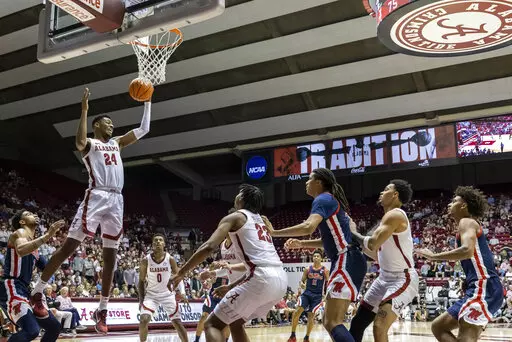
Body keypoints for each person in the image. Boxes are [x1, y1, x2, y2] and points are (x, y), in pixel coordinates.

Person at [30, 87, 152, 334]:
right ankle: (38, 291)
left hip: (117, 200)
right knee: (68, 248)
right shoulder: (92, 144)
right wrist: (84, 110)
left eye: (112, 124)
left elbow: (144, 129)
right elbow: (79, 141)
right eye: (107, 123)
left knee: (111, 259)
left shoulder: (117, 143)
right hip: (96, 196)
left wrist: (147, 102)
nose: (111, 126)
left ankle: (102, 308)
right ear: (96, 125)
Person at [170, 184, 287, 342]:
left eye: (239, 193)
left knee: (212, 324)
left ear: (242, 199)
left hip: (261, 278)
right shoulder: (261, 221)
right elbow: (254, 267)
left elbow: (209, 246)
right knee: (235, 322)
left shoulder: (236, 217)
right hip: (279, 280)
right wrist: (230, 287)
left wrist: (181, 272)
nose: (236, 196)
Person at [272, 168, 367, 342]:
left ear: (319, 182)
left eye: (309, 179)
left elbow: (308, 227)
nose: (306, 183)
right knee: (332, 321)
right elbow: (328, 241)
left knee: (331, 321)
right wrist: (302, 244)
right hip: (350, 260)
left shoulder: (323, 199)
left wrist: (274, 232)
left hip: (346, 259)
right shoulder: (330, 201)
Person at [417, 186, 504, 342]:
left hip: (483, 287)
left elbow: (467, 251)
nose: (450, 204)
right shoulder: (466, 225)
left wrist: (434, 257)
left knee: (465, 337)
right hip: (479, 287)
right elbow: (476, 257)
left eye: (454, 200)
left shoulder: (466, 221)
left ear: (464, 205)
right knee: (438, 326)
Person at [348, 180, 419, 342]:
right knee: (358, 323)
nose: (381, 192)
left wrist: (353, 232)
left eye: (386, 189)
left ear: (395, 195)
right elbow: (376, 254)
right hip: (384, 278)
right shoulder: (385, 220)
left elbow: (372, 243)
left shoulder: (395, 214)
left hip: (403, 279)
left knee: (379, 326)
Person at [0, 210, 64, 341]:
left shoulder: (35, 248)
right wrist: (48, 235)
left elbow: (49, 268)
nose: (34, 214)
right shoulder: (19, 232)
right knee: (32, 330)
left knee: (54, 327)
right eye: (28, 214)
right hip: (12, 286)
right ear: (22, 222)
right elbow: (22, 250)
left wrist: (67, 248)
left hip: (26, 290)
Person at [138, 233, 188, 342]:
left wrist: (183, 293)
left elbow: (178, 276)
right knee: (143, 320)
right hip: (151, 295)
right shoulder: (146, 260)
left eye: (160, 240)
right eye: (155, 240)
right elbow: (141, 281)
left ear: (164, 244)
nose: (158, 242)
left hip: (167, 295)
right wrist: (141, 300)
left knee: (178, 323)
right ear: (152, 245)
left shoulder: (170, 259)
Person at [288, 250, 329, 342]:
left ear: (321, 258)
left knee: (311, 316)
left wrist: (326, 296)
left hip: (317, 296)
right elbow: (302, 281)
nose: (316, 258)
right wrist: (302, 284)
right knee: (297, 311)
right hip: (306, 294)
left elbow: (328, 284)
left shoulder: (325, 270)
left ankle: (306, 337)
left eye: (318, 256)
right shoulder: (307, 269)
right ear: (312, 258)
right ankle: (293, 335)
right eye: (314, 256)